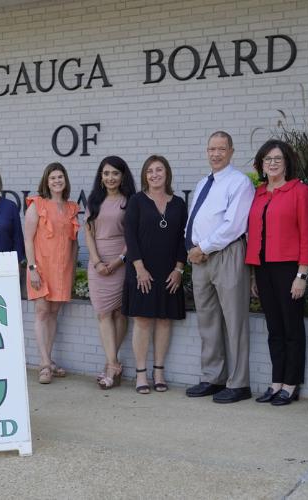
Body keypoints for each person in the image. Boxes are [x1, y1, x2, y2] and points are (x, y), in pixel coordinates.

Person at [184, 131, 255, 403]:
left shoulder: (239, 183)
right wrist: (191, 248)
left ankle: (239, 383)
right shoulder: (204, 183)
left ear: (231, 151)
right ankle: (213, 377)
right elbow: (195, 218)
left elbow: (233, 225)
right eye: (211, 149)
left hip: (226, 254)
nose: (215, 154)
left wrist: (203, 248)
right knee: (208, 320)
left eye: (221, 149)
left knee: (234, 321)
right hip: (200, 259)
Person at [246, 140, 308, 406]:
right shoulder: (259, 193)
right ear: (261, 165)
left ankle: (291, 384)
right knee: (274, 328)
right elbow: (254, 234)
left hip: (289, 268)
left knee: (291, 328)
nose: (272, 163)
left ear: (287, 162)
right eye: (267, 159)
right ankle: (276, 382)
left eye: (277, 158)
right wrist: (253, 275)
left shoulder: (299, 192)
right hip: (263, 268)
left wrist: (302, 275)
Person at [122, 155, 187, 394]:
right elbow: (130, 236)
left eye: (159, 170)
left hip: (170, 271)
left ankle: (158, 371)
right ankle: (141, 374)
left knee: (164, 320)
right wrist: (139, 268)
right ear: (144, 175)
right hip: (142, 271)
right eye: (150, 171)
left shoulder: (179, 203)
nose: (155, 174)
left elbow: (184, 238)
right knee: (143, 320)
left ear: (167, 173)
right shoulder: (137, 201)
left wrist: (179, 269)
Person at [24, 162, 80, 384]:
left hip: (62, 267)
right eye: (53, 178)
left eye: (60, 177)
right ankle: (44, 364)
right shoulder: (37, 205)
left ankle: (49, 359)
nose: (57, 181)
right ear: (46, 181)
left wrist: (73, 269)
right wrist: (32, 269)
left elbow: (74, 242)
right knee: (41, 312)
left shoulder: (71, 208)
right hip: (40, 266)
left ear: (65, 180)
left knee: (54, 312)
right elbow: (27, 239)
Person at [85, 156, 137, 389]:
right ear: (101, 176)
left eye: (115, 173)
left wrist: (118, 261)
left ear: (123, 176)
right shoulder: (94, 200)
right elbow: (88, 232)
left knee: (119, 313)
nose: (110, 178)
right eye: (106, 173)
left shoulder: (130, 201)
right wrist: (96, 262)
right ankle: (113, 362)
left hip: (121, 260)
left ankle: (110, 366)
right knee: (103, 313)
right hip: (98, 262)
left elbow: (132, 235)